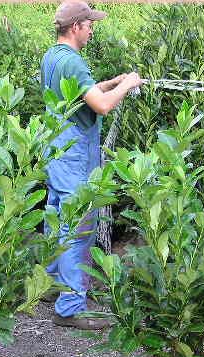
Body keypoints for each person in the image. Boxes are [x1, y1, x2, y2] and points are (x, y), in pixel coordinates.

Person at [40, 0, 142, 329]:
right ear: (75, 28)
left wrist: (112, 82)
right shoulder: (74, 62)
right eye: (89, 24)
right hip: (74, 156)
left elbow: (80, 95)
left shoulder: (53, 57)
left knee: (58, 218)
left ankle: (52, 284)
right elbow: (100, 107)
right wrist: (127, 86)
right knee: (78, 227)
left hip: (57, 150)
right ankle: (70, 307)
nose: (92, 29)